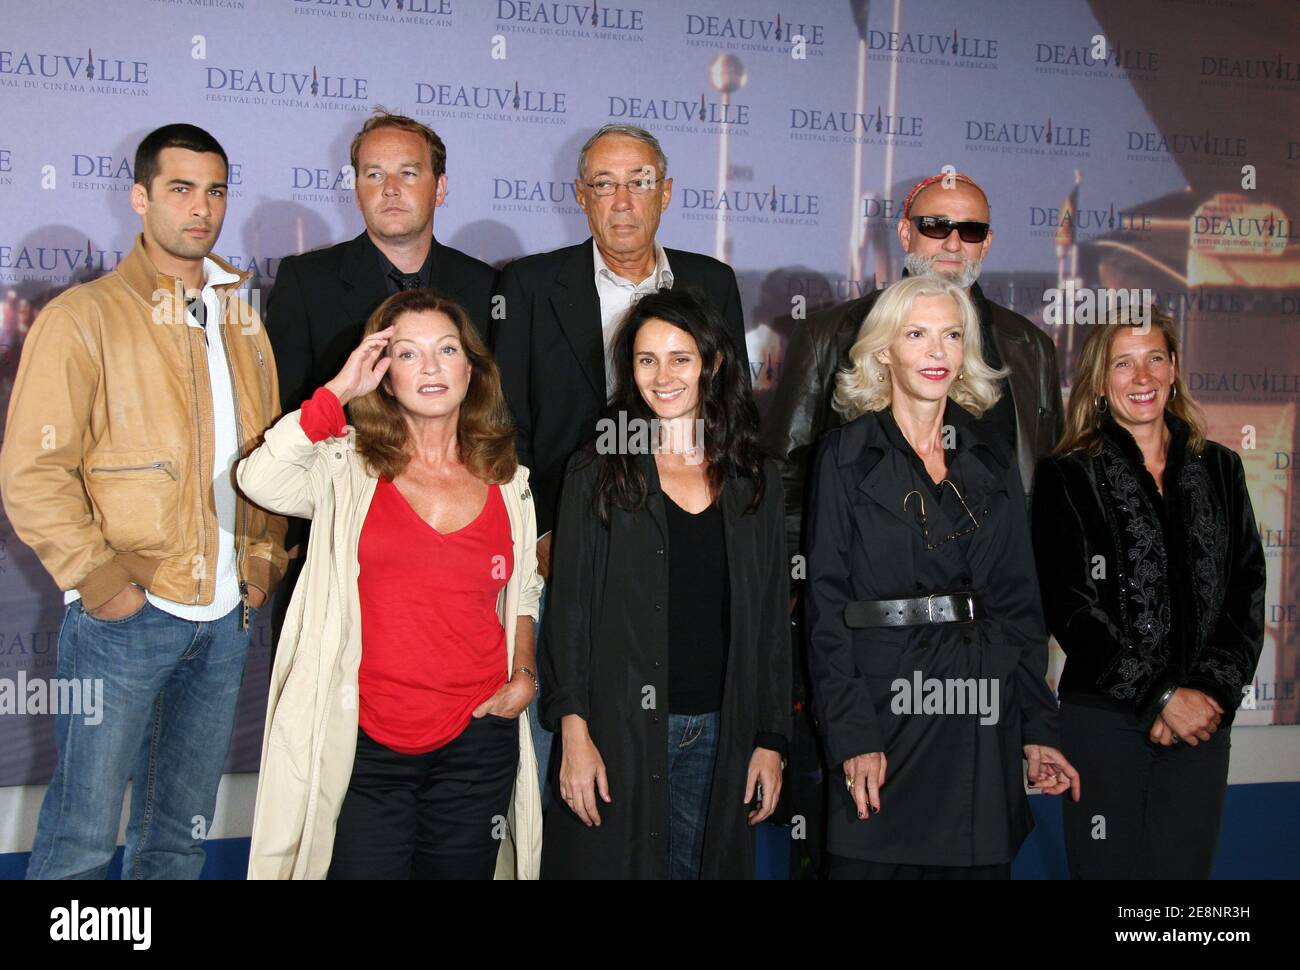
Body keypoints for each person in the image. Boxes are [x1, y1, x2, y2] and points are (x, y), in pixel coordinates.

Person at [0, 124, 287, 879]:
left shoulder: (242, 318)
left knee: (178, 840)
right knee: (82, 839)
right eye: (180, 189)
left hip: (226, 618)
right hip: (127, 616)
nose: (202, 208)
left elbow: (270, 459)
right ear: (140, 198)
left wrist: (259, 564)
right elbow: (33, 470)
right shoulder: (82, 316)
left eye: (216, 190)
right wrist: (102, 583)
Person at [763, 170, 1064, 878]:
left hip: (978, 718)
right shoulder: (844, 454)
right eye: (919, 335)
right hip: (881, 710)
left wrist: (1038, 729)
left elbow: (1018, 603)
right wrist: (850, 733)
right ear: (886, 348)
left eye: (951, 336)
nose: (936, 351)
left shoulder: (987, 461)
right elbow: (827, 605)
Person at [239, 289, 542, 879]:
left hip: (478, 738)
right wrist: (337, 391)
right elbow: (261, 479)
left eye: (447, 349)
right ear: (383, 374)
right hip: (365, 743)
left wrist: (524, 674)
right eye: (407, 354)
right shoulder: (343, 469)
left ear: (472, 369)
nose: (430, 367)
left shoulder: (509, 481)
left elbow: (522, 589)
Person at [494, 123, 750, 791]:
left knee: (683, 757)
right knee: (567, 750)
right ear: (581, 196)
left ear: (665, 192)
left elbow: (734, 416)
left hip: (685, 550)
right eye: (604, 185)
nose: (623, 200)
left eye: (638, 183)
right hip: (569, 557)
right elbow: (505, 425)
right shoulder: (527, 285)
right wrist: (545, 532)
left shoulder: (711, 282)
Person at [540, 288, 788, 879]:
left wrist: (771, 739)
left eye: (680, 358)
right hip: (619, 733)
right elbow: (568, 614)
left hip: (723, 735)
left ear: (713, 362)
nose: (663, 376)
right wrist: (574, 735)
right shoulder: (598, 470)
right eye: (647, 360)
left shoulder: (755, 479)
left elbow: (772, 620)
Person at [1031, 305, 1265, 879]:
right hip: (1103, 722)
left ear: (1174, 368)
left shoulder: (1221, 470)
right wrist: (1162, 697)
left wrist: (1205, 695)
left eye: (1154, 359)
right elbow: (1073, 610)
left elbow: (1246, 596)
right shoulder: (1067, 474)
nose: (1143, 377)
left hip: (1202, 723)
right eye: (1124, 364)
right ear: (1099, 383)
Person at [265, 109, 498, 650]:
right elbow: (281, 411)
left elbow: (495, 410)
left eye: (408, 173)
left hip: (455, 541)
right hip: (338, 542)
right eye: (373, 174)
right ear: (355, 187)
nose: (390, 189)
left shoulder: (486, 287)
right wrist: (293, 534)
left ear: (440, 188)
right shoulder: (307, 282)